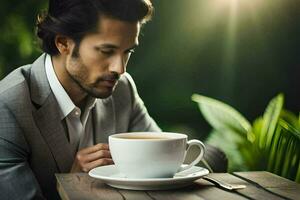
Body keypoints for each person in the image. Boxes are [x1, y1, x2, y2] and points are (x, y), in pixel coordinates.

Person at [0, 0, 227, 199]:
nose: (119, 68)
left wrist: (212, 157)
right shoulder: (7, 107)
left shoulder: (122, 89)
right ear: (63, 42)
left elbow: (166, 162)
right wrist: (72, 186)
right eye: (106, 51)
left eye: (128, 51)